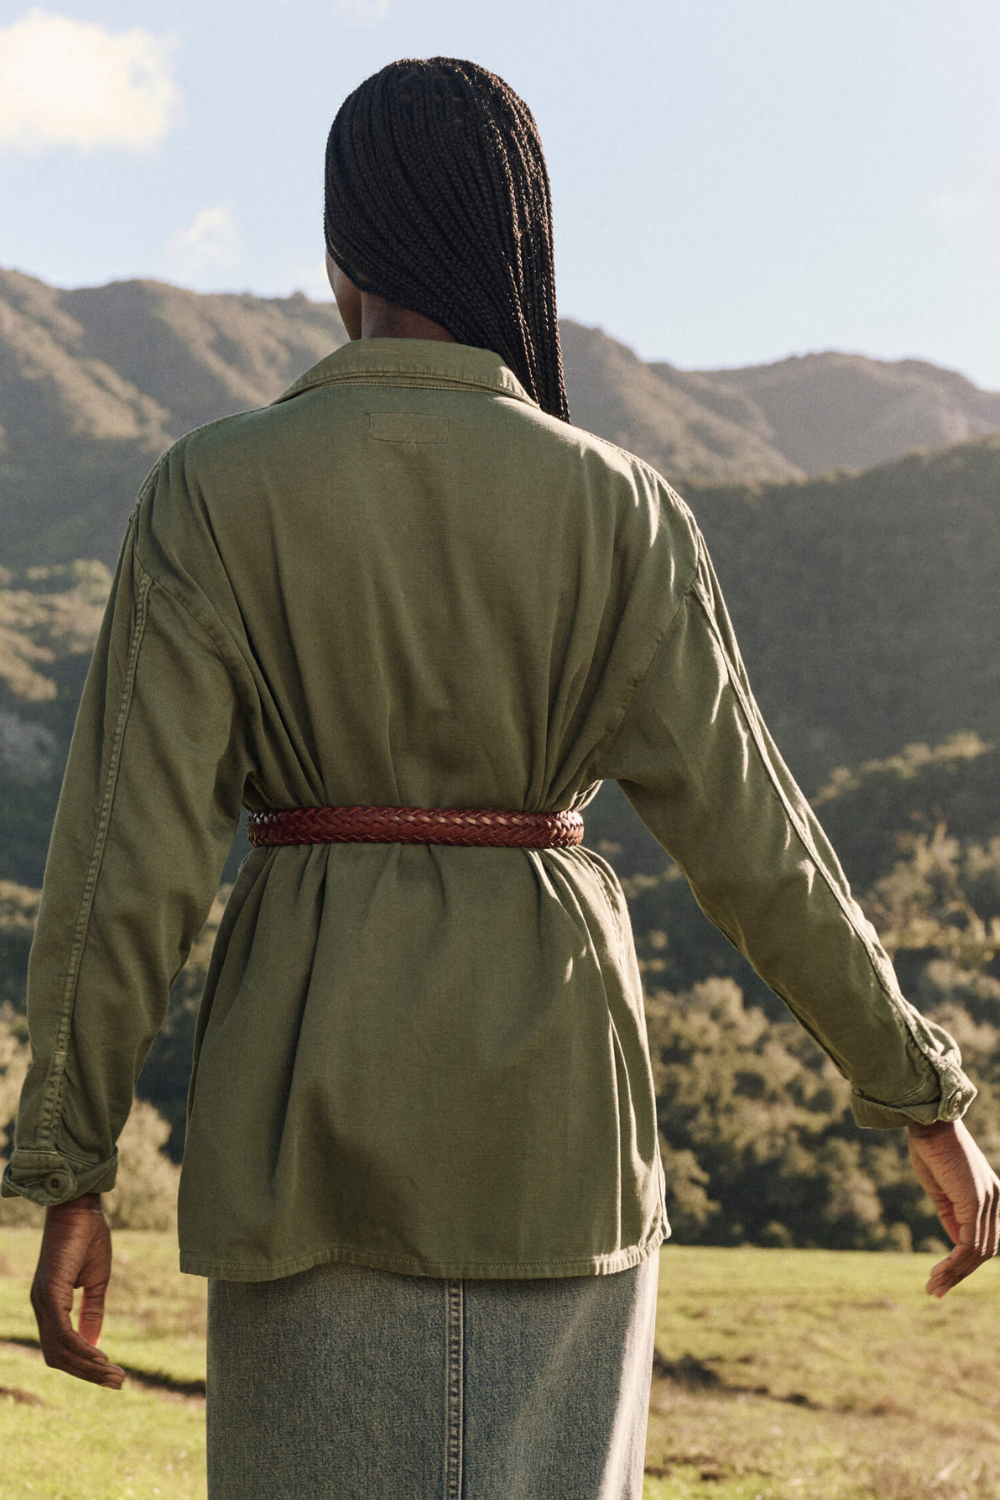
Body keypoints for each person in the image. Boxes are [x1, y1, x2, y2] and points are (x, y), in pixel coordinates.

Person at [4, 56, 998, 1500]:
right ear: (517, 246)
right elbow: (759, 849)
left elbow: (125, 864)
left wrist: (71, 1163)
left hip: (305, 1131)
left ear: (341, 260)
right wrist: (919, 1095)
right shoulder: (624, 510)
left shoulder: (212, 492)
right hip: (563, 1140)